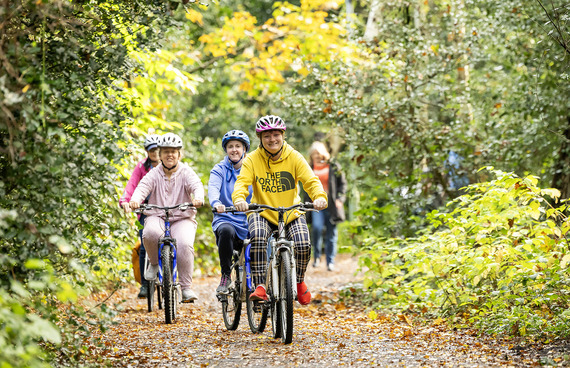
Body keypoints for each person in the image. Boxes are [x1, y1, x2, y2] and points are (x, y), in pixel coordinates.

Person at [233, 115, 328, 305]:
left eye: (276, 134)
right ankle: (260, 286)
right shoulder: (252, 159)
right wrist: (239, 199)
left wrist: (319, 197)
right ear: (260, 138)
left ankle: (299, 281)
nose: (272, 139)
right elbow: (241, 183)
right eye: (267, 136)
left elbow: (311, 181)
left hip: (290, 212)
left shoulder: (294, 156)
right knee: (258, 237)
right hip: (262, 211)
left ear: (283, 135)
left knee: (302, 244)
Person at [129, 133, 204, 303]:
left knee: (185, 244)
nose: (169, 155)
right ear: (160, 154)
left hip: (182, 217)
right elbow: (142, 187)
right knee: (149, 233)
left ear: (179, 154)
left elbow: (197, 185)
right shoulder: (154, 173)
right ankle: (154, 264)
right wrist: (135, 200)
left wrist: (198, 198)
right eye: (165, 152)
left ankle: (186, 288)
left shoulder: (186, 172)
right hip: (157, 215)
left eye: (173, 151)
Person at [208, 130, 253, 294]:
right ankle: (226, 275)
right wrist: (216, 202)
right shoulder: (219, 169)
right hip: (226, 216)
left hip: (249, 217)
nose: (234, 150)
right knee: (226, 231)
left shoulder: (253, 167)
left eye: (238, 146)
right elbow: (213, 187)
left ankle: (260, 283)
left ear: (245, 149)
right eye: (230, 146)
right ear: (226, 149)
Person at [119, 133, 161, 298]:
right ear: (147, 152)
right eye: (151, 150)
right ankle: (145, 284)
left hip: (165, 208)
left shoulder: (168, 165)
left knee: (172, 241)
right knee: (144, 245)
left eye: (158, 149)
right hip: (145, 209)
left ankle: (171, 278)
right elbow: (132, 185)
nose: (155, 153)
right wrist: (125, 200)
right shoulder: (142, 167)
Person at [307, 141, 347, 272]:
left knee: (331, 233)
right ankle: (317, 257)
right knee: (317, 229)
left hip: (331, 205)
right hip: (316, 205)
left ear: (324, 153)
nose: (317, 156)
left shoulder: (333, 165)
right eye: (314, 154)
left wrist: (340, 199)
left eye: (318, 153)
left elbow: (343, 184)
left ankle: (330, 261)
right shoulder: (309, 167)